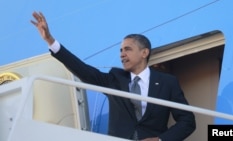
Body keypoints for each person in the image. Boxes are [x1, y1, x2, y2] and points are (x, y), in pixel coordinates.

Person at [31, 11, 196, 141]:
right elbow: (82, 70)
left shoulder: (167, 82)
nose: (122, 54)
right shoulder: (115, 79)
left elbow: (187, 121)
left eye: (128, 49)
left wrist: (160, 139)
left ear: (144, 52)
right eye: (121, 50)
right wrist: (50, 40)